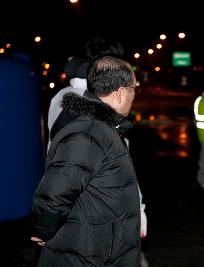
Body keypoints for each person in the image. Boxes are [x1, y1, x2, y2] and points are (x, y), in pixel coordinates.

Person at [31, 56, 141, 266]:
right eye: (133, 89)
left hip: (96, 248)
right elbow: (56, 189)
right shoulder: (88, 132)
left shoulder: (101, 127)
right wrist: (43, 230)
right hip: (86, 253)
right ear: (119, 93)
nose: (134, 95)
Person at [45, 37, 147, 240]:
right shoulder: (92, 107)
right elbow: (72, 171)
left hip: (83, 214)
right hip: (94, 217)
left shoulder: (66, 96)